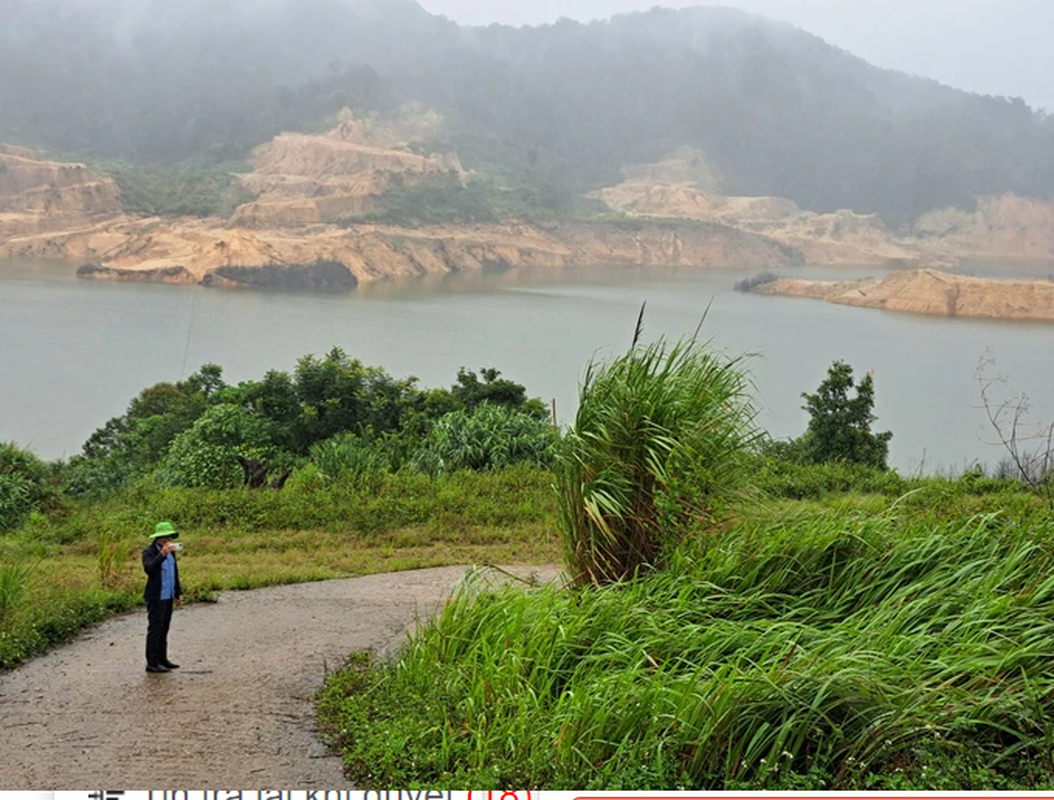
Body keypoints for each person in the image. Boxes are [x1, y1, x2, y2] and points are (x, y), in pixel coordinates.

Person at [142, 521, 183, 673]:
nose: (168, 540)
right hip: (156, 596)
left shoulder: (171, 551)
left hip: (168, 595)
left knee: (164, 629)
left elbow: (174, 572)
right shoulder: (149, 552)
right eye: (165, 537)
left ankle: (162, 659)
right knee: (155, 630)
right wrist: (162, 554)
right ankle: (151, 663)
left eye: (169, 537)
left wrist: (178, 592)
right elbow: (149, 569)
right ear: (158, 538)